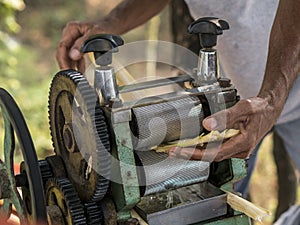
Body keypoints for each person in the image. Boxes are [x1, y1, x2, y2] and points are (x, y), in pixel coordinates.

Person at [56, 0, 300, 221]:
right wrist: (111, 22)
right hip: (235, 106)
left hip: (293, 94)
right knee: (221, 196)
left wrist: (270, 99)